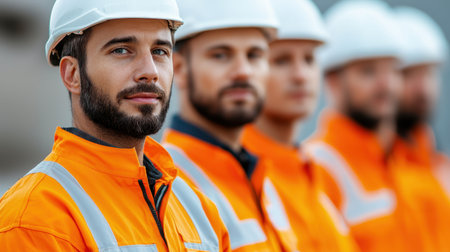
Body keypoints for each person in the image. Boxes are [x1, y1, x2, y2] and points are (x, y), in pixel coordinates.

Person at [0, 0, 231, 251]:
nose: (150, 71)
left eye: (160, 51)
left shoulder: (198, 209)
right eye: (121, 50)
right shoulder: (35, 221)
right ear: (72, 74)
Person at [159, 0, 282, 250]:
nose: (243, 71)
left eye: (254, 55)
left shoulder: (261, 175)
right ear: (179, 69)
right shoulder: (167, 183)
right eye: (221, 55)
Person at [241, 0, 359, 251]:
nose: (300, 75)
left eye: (309, 59)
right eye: (281, 60)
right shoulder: (240, 174)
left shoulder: (309, 172)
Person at [303, 0, 418, 251]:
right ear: (332, 81)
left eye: (392, 71)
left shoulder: (398, 159)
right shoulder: (316, 166)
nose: (385, 85)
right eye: (368, 72)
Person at [390, 7, 450, 251]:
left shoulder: (439, 165)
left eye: (428, 74)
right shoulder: (375, 163)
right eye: (410, 76)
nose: (422, 89)